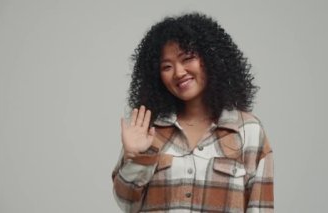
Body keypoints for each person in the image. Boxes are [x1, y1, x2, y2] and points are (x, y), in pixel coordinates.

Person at [111, 12, 274, 213]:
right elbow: (126, 203)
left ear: (210, 59)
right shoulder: (147, 129)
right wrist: (136, 156)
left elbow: (260, 208)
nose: (179, 72)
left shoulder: (247, 130)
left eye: (187, 58)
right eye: (167, 66)